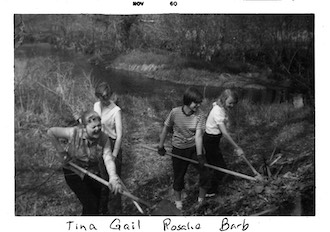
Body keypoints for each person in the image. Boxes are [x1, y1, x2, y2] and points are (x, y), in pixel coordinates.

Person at [47, 110, 122, 216]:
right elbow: (51, 132)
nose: (97, 129)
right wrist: (61, 152)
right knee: (91, 204)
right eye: (93, 127)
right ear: (84, 127)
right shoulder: (74, 133)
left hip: (92, 172)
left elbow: (108, 158)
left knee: (95, 204)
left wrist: (113, 176)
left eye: (99, 126)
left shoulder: (104, 138)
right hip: (73, 172)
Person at [157, 87, 210, 210]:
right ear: (188, 101)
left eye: (199, 103)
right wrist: (161, 146)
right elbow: (165, 128)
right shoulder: (175, 112)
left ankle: (201, 200)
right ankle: (178, 203)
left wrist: (200, 156)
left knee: (205, 172)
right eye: (196, 103)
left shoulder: (200, 115)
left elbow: (198, 136)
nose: (198, 105)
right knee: (179, 176)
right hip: (179, 149)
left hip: (193, 148)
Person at [203, 89, 244, 197]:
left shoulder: (220, 107)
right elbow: (225, 133)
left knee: (216, 164)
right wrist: (237, 147)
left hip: (214, 139)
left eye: (233, 104)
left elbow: (225, 124)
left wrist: (228, 122)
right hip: (210, 140)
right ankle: (211, 191)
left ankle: (221, 179)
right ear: (223, 99)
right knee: (218, 167)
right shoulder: (217, 111)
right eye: (230, 103)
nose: (232, 105)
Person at [93, 82, 123, 214]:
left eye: (106, 96)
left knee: (114, 180)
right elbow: (93, 124)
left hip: (112, 144)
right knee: (103, 181)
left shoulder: (116, 110)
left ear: (110, 95)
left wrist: (114, 154)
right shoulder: (96, 106)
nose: (104, 100)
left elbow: (120, 135)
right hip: (100, 143)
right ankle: (103, 210)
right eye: (101, 97)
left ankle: (116, 211)